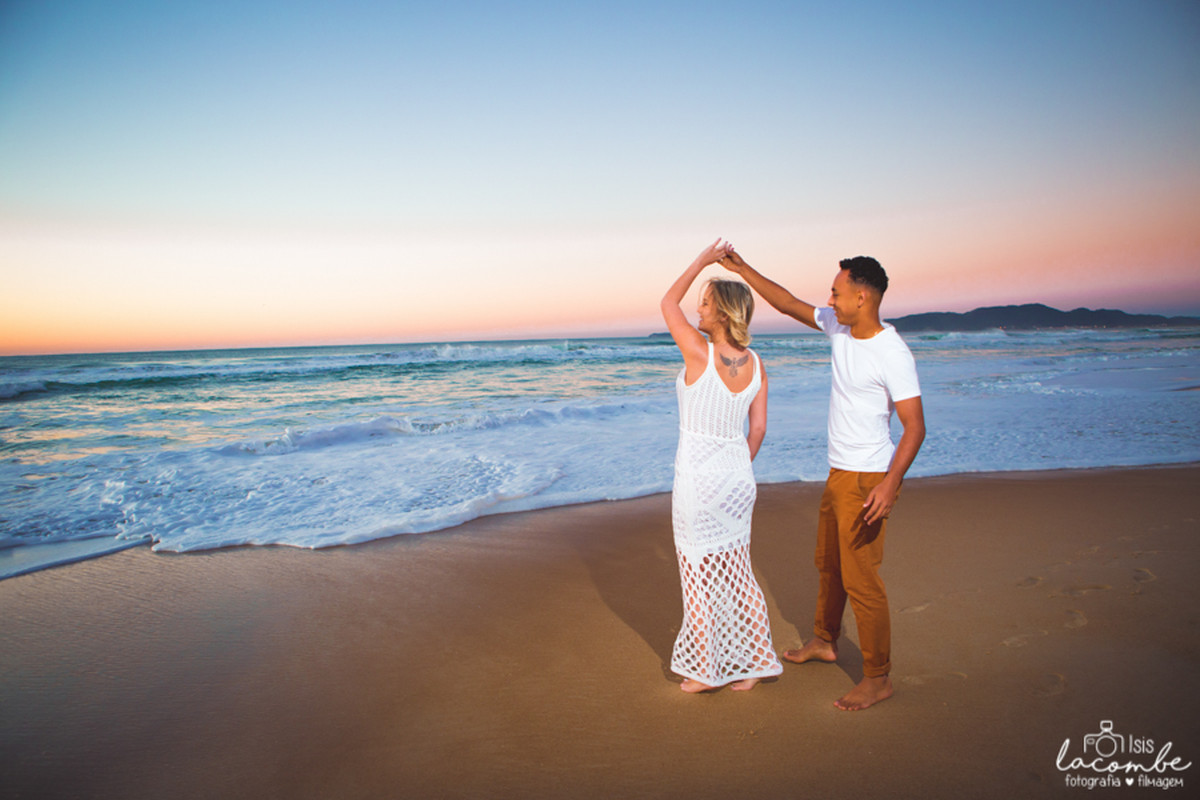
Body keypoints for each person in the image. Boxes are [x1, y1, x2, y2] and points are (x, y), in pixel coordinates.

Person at [721, 248, 925, 710]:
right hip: (838, 472)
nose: (829, 300)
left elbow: (915, 426)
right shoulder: (840, 327)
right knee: (829, 565)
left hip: (868, 478)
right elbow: (788, 303)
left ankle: (878, 677)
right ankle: (824, 640)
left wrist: (890, 483)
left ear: (862, 297)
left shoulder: (892, 352)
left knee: (862, 581)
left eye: (836, 292)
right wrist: (742, 269)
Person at [659, 239, 783, 693]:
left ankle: (705, 669)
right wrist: (735, 468)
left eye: (706, 303)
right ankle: (753, 663)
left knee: (698, 572)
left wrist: (702, 260)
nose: (698, 309)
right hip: (738, 481)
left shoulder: (699, 353)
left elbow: (666, 302)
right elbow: (759, 429)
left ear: (724, 313)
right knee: (737, 572)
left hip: (698, 482)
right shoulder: (757, 364)